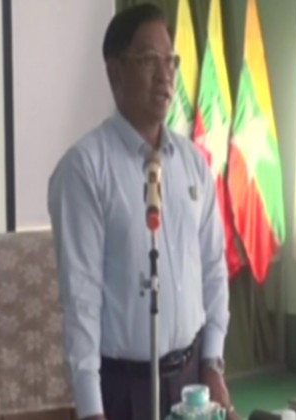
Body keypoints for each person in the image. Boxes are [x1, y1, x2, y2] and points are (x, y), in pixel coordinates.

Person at [47, 4, 239, 420]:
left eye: (171, 60)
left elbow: (213, 268)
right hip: (123, 389)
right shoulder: (85, 169)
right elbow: (81, 299)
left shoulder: (193, 164)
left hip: (191, 382)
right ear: (115, 72)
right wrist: (91, 409)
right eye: (149, 60)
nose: (165, 74)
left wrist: (213, 362)